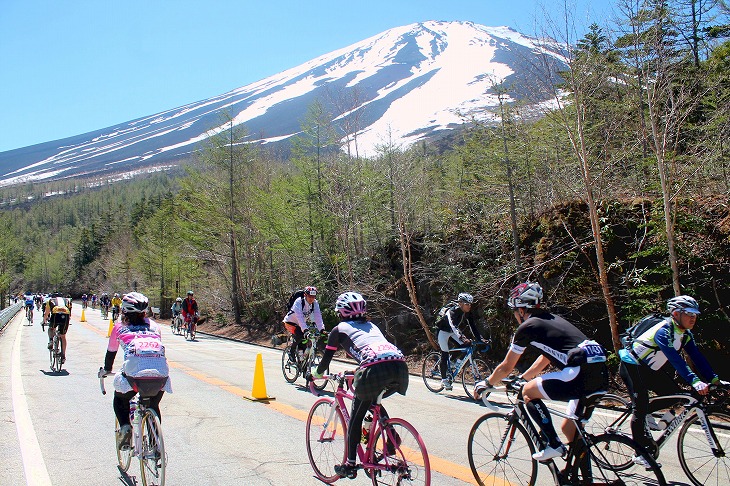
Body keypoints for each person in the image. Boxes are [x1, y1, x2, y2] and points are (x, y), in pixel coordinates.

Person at [474, 282, 608, 461]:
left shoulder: (528, 327)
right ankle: (584, 479)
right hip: (600, 374)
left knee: (528, 392)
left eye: (514, 310)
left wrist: (487, 383)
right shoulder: (551, 319)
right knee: (570, 430)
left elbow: (507, 366)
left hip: (578, 373)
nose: (515, 315)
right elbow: (545, 358)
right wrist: (523, 377)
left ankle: (553, 444)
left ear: (521, 310)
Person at [619, 295, 729, 467]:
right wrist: (694, 381)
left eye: (695, 314)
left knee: (677, 397)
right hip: (632, 366)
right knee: (640, 408)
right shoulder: (664, 331)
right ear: (676, 314)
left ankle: (649, 416)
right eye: (689, 313)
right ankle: (640, 453)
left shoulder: (685, 334)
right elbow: (675, 359)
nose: (693, 317)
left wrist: (714, 379)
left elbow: (697, 357)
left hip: (651, 369)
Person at [311, 291, 409, 480]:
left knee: (356, 412)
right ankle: (391, 436)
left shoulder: (339, 329)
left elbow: (325, 362)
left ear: (341, 312)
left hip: (374, 368)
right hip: (399, 366)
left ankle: (349, 464)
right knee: (373, 400)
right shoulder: (372, 326)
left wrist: (314, 376)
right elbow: (374, 353)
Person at [98, 292, 172, 450]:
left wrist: (106, 370)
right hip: (160, 373)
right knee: (153, 404)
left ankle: (125, 427)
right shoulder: (155, 326)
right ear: (145, 312)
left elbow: (111, 352)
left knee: (120, 400)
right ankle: (155, 444)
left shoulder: (119, 327)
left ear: (124, 311)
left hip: (134, 375)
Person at [435, 292, 484, 390]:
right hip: (443, 332)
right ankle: (444, 380)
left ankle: (453, 361)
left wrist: (481, 339)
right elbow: (453, 326)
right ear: (460, 303)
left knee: (465, 346)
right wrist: (463, 338)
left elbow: (473, 326)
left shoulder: (467, 312)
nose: (469, 306)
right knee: (445, 354)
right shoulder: (452, 312)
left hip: (452, 332)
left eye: (470, 304)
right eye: (467, 304)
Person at [283, 286, 325, 361]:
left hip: (300, 324)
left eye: (314, 296)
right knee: (300, 334)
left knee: (305, 343)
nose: (312, 299)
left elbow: (318, 317)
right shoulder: (299, 301)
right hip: (290, 323)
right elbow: (299, 317)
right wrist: (305, 330)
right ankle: (291, 351)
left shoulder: (315, 303)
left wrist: (322, 329)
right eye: (310, 296)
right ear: (305, 295)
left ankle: (302, 363)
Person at [44, 292, 71, 363]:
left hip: (55, 314)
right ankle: (63, 355)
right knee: (63, 336)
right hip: (65, 315)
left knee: (51, 328)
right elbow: (70, 312)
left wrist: (44, 321)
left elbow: (47, 313)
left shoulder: (50, 300)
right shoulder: (67, 300)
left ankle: (50, 341)